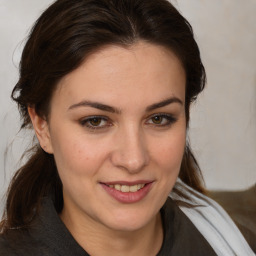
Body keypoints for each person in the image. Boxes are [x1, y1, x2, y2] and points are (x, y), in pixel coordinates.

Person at [0, 0, 254, 255]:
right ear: (42, 125)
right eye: (96, 121)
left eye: (159, 118)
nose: (134, 160)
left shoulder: (235, 240)